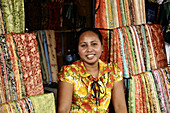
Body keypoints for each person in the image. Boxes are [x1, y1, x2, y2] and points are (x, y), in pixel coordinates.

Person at [57, 28, 127, 113]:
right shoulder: (69, 72)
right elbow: (64, 110)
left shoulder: (113, 71)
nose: (89, 49)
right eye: (83, 45)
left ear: (102, 47)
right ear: (78, 50)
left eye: (94, 44)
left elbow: (120, 107)